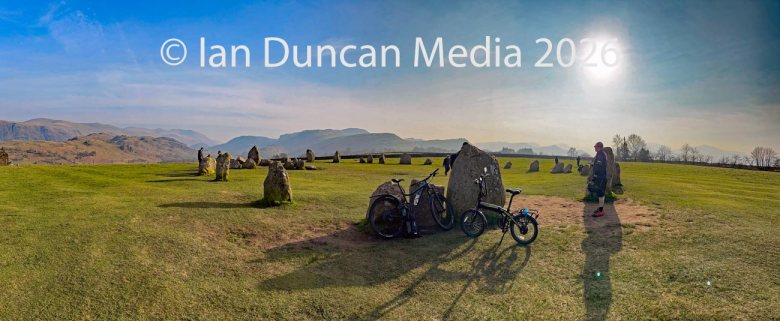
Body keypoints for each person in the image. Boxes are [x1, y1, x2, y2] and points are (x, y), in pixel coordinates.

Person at [591, 142, 608, 217]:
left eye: (595, 147)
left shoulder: (601, 154)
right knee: (600, 193)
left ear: (599, 147)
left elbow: (599, 166)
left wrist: (594, 176)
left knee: (601, 194)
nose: (594, 148)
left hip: (600, 177)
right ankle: (600, 208)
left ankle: (601, 211)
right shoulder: (601, 153)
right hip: (601, 177)